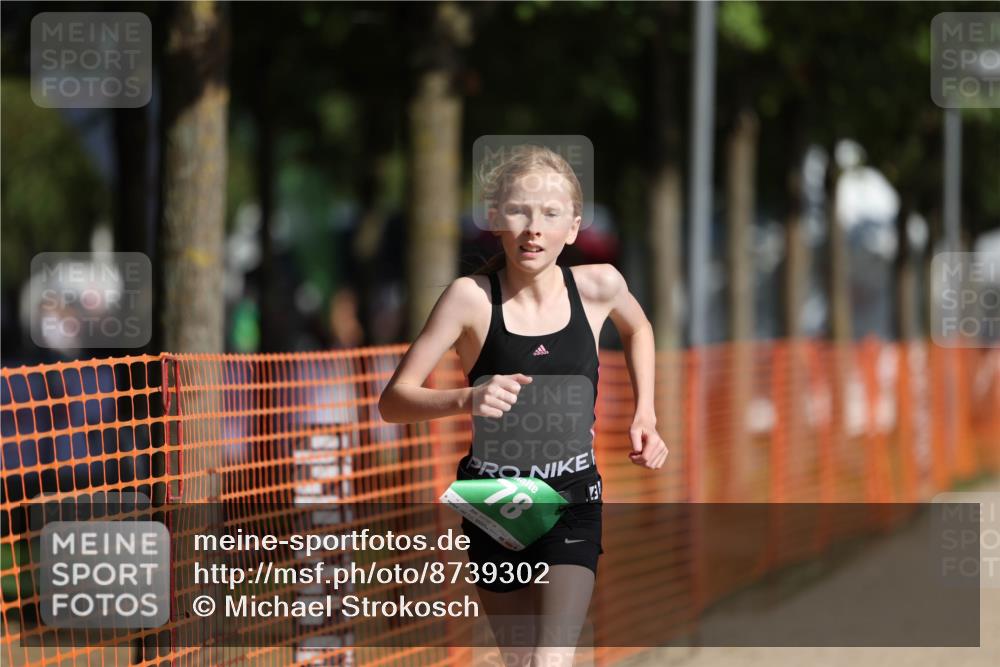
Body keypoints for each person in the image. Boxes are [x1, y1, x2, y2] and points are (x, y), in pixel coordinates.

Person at [378, 145, 667, 666]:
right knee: (518, 661)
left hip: (572, 496)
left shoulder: (600, 285)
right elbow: (394, 401)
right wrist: (469, 397)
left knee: (549, 660)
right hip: (494, 499)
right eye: (518, 211)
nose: (533, 229)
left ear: (573, 227)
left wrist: (645, 410)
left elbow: (639, 327)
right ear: (495, 218)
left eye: (550, 214)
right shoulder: (469, 299)